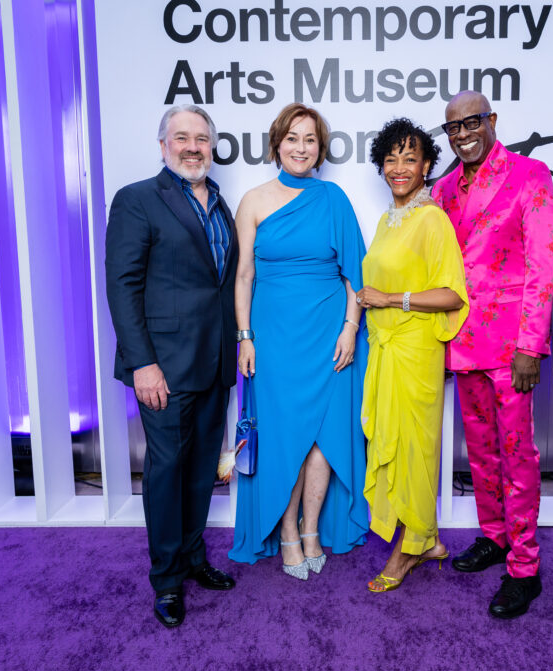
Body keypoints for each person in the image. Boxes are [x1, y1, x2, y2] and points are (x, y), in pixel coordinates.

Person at [105, 104, 238, 628]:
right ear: (163, 145)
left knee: (203, 468)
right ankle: (165, 580)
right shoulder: (139, 199)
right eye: (181, 137)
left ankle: (192, 556)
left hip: (214, 361)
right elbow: (123, 286)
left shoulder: (220, 205)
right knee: (166, 472)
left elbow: (218, 284)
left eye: (201, 139)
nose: (192, 147)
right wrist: (142, 364)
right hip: (162, 367)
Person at [229, 103, 369, 579]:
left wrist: (351, 328)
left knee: (323, 440)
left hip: (330, 334)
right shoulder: (253, 200)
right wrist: (245, 337)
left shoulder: (334, 199)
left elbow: (357, 276)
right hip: (274, 337)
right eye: (292, 138)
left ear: (320, 148)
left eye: (310, 139)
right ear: (277, 144)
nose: (301, 148)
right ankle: (286, 531)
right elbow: (244, 276)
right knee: (285, 436)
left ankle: (311, 529)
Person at [432, 91, 553, 619]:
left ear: (492, 121)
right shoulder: (441, 190)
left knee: (518, 456)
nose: (463, 133)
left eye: (472, 122)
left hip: (512, 349)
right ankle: (494, 537)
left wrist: (531, 344)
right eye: (453, 127)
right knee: (480, 452)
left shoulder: (531, 176)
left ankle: (524, 567)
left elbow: (542, 267)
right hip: (462, 345)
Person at [356, 118, 469, 592]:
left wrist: (391, 300)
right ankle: (429, 538)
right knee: (396, 446)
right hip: (384, 348)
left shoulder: (432, 219)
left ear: (427, 166)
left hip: (415, 350)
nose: (399, 167)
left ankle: (407, 551)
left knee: (413, 452)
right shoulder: (387, 219)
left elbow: (452, 295)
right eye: (391, 158)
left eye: (410, 158)